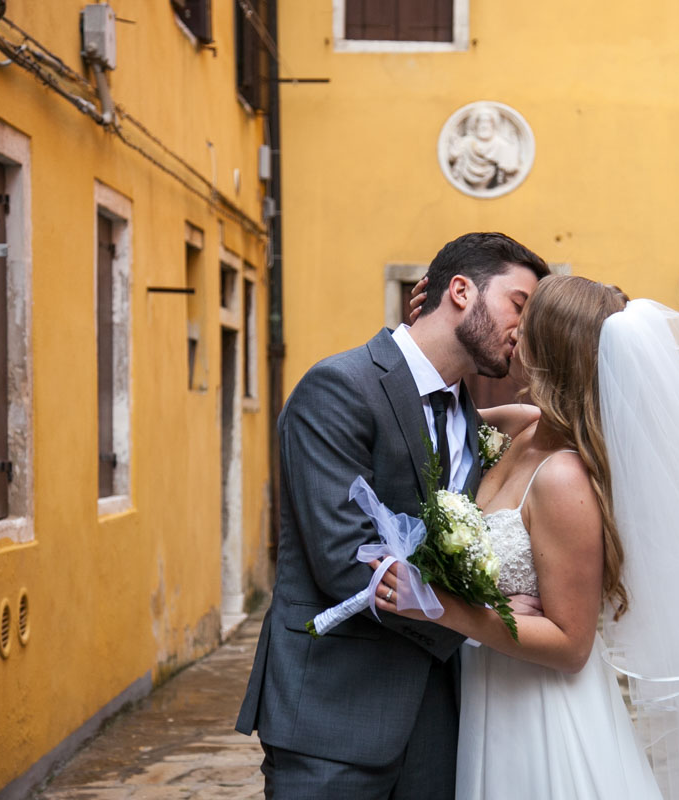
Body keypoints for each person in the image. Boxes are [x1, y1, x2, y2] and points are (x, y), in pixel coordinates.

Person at [375, 275, 679, 799]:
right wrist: (428, 328)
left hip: (543, 711)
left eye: (526, 318)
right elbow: (422, 415)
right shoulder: (524, 427)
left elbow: (572, 645)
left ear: (548, 347)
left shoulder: (564, 477)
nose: (514, 327)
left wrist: (441, 606)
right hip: (492, 688)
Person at [235, 232, 549, 798]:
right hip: (335, 712)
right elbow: (346, 561)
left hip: (440, 719)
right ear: (460, 291)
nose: (522, 330)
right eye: (518, 306)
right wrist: (483, 612)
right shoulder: (339, 387)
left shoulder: (474, 419)